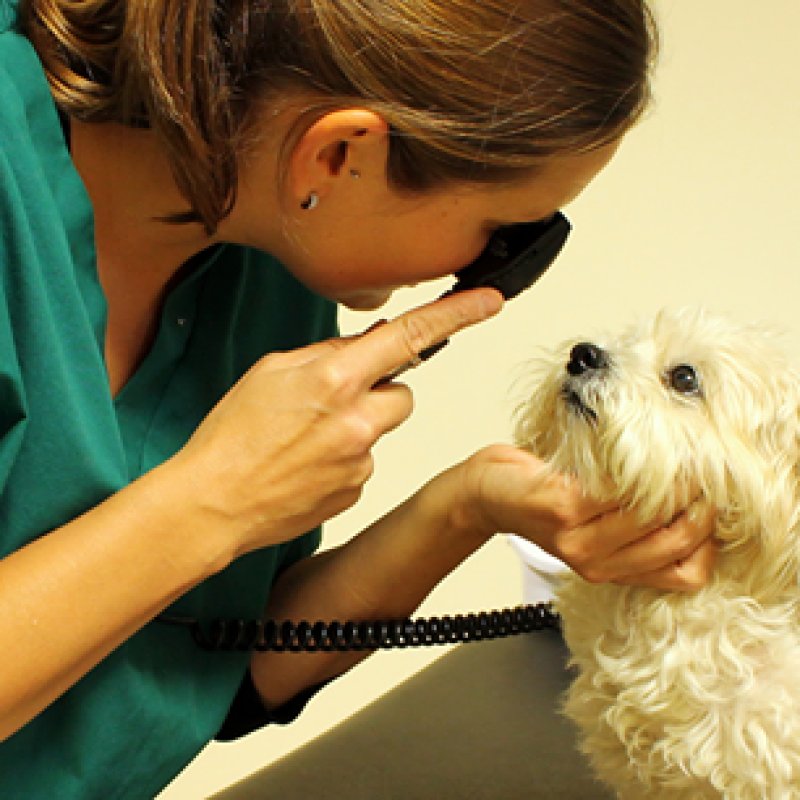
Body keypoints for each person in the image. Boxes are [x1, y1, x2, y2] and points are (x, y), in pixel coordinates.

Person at [0, 0, 718, 796]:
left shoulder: (269, 262)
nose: (494, 273)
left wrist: (469, 505)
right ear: (339, 154)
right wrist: (210, 501)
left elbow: (205, 662)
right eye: (504, 231)